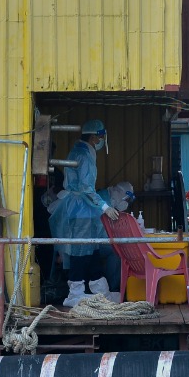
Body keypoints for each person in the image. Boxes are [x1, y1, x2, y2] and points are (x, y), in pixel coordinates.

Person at [48, 120, 121, 307]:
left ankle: (100, 290)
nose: (102, 140)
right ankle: (75, 293)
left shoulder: (78, 151)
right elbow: (86, 188)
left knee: (92, 249)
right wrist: (104, 207)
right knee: (81, 252)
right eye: (101, 136)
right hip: (81, 209)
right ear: (94, 136)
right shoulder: (85, 155)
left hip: (80, 207)